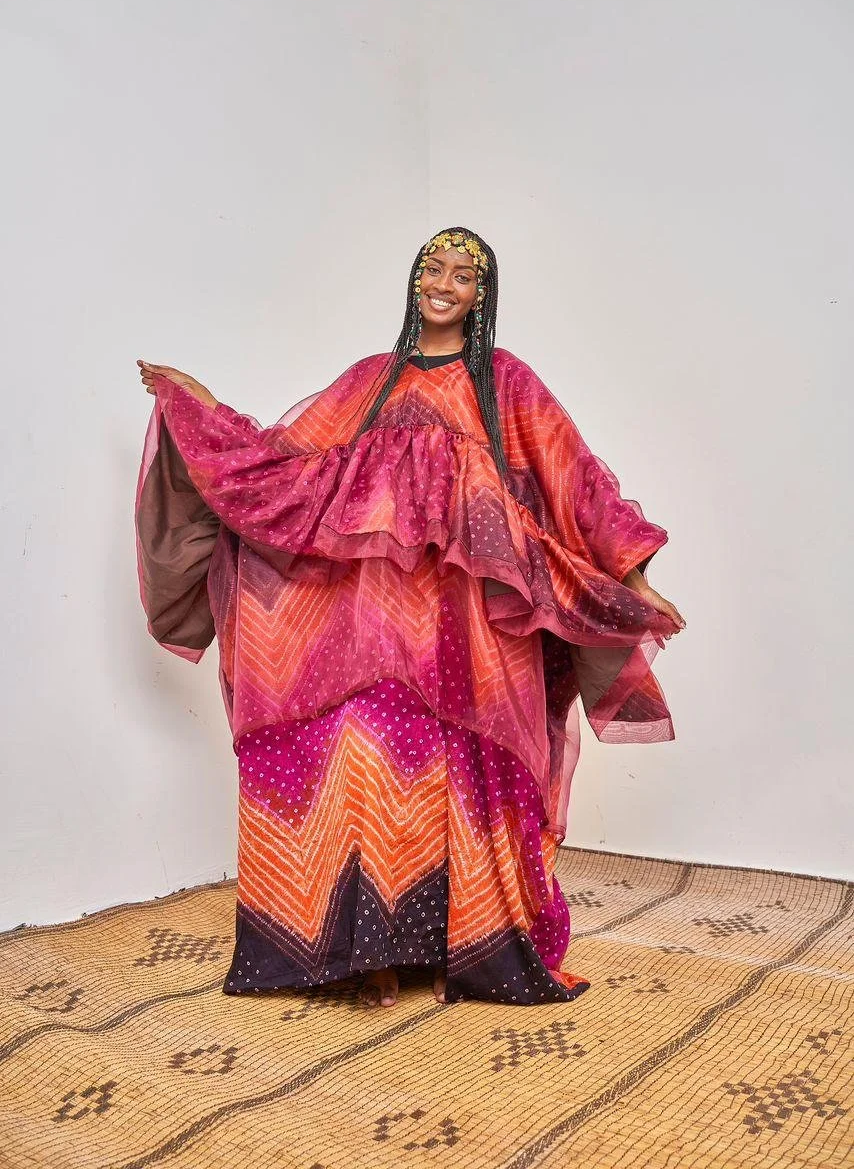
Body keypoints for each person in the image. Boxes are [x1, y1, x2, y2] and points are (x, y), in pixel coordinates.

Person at [134, 226, 685, 1010]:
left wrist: (633, 575)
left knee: (468, 773)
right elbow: (284, 465)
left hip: (477, 634)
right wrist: (202, 407)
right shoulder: (370, 382)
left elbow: (576, 479)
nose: (444, 284)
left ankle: (467, 944)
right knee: (368, 767)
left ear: (481, 295)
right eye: (434, 267)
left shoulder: (504, 381)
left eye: (464, 275)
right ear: (415, 278)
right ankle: (370, 954)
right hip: (372, 633)